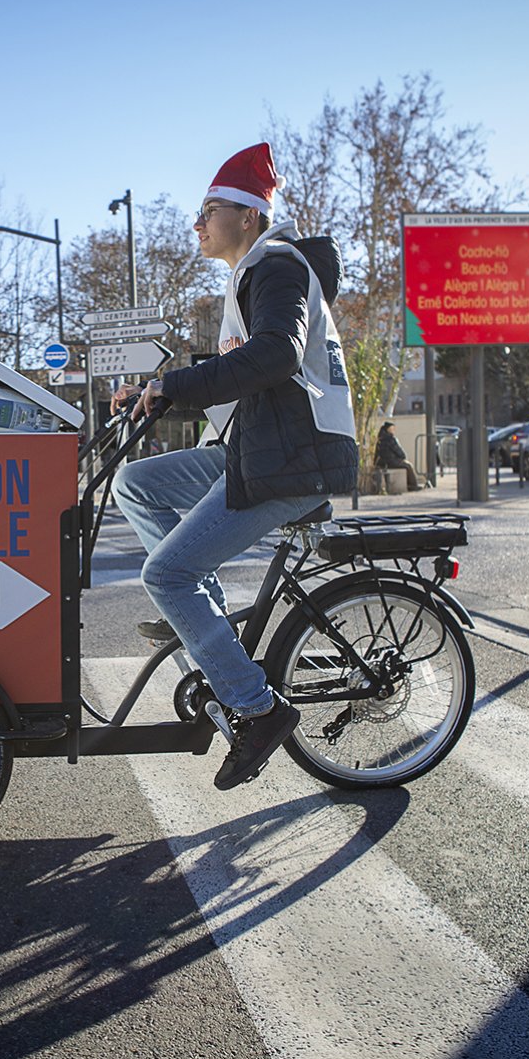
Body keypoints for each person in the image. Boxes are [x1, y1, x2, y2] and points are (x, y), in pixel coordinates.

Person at [110, 142, 358, 791]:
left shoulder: (275, 267)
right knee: (136, 483)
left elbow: (276, 355)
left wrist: (179, 383)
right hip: (254, 448)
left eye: (208, 210)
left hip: (294, 458)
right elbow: (234, 375)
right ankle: (211, 629)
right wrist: (153, 393)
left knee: (166, 573)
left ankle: (257, 708)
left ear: (247, 217)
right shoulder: (245, 275)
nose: (197, 223)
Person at [374, 419, 420, 491]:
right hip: (391, 461)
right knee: (409, 466)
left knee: (407, 465)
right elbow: (399, 451)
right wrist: (403, 457)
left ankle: (411, 485)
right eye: (392, 428)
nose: (393, 430)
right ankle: (413, 486)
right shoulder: (391, 439)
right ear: (388, 429)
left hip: (382, 462)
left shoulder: (380, 438)